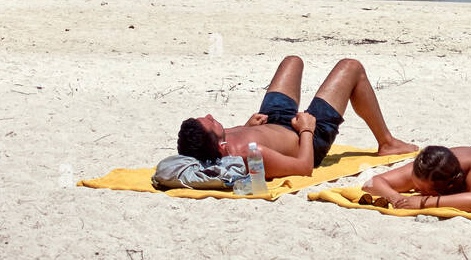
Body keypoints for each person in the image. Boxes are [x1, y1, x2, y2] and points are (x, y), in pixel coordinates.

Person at [176, 56, 416, 178]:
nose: (210, 115)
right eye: (211, 122)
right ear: (220, 145)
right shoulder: (251, 156)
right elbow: (304, 168)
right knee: (351, 67)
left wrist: (247, 125)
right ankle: (387, 143)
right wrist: (307, 130)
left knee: (293, 61)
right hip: (308, 138)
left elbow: (232, 134)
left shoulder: (216, 142)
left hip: (273, 120)